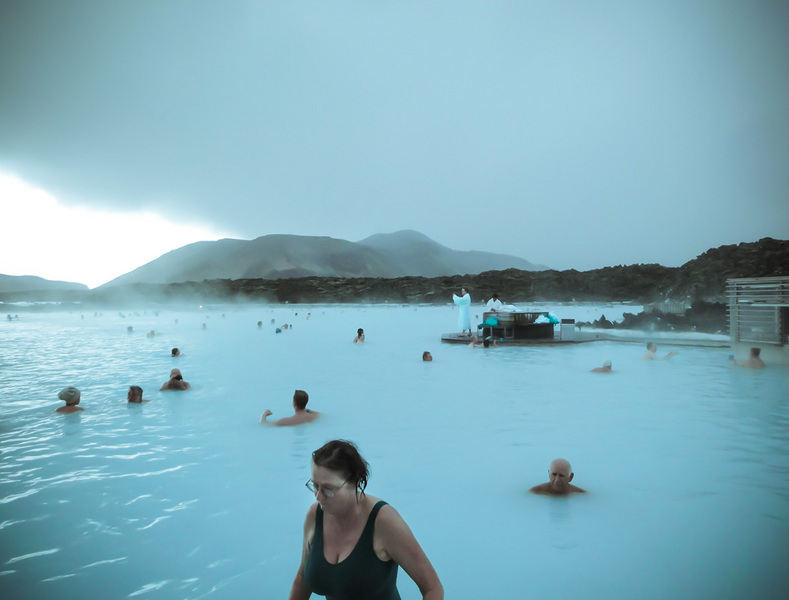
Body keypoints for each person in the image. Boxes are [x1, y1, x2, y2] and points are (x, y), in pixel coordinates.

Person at [288, 440, 444, 600]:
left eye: (328, 490)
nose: (318, 497)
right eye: (315, 486)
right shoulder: (314, 516)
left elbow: (433, 588)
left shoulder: (383, 522)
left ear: (355, 483)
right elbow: (302, 581)